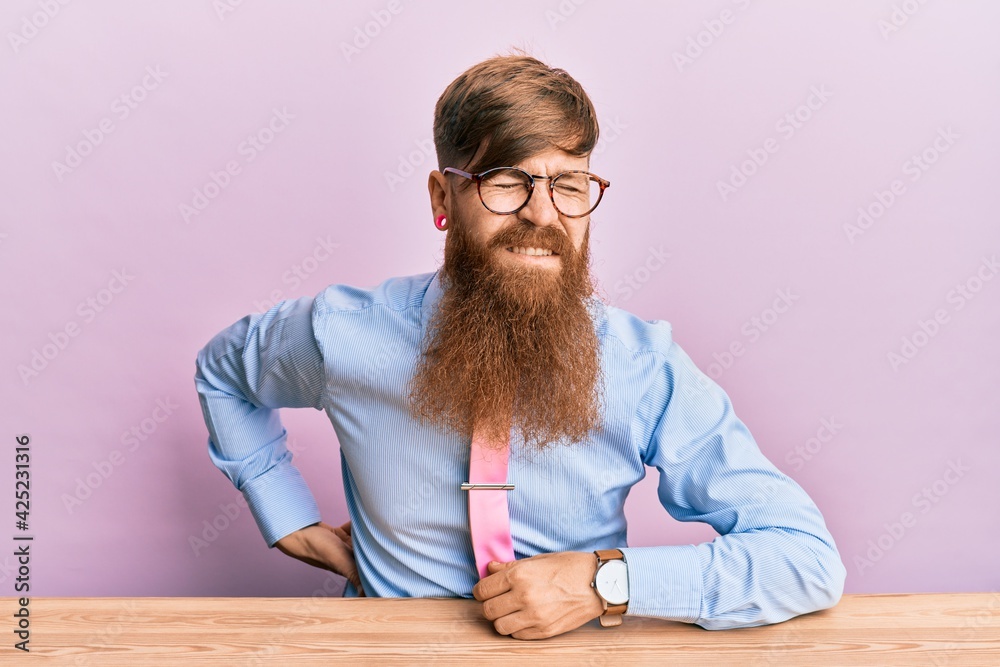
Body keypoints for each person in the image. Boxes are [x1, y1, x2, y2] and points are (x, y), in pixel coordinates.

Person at [194, 51, 846, 641]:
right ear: (441, 197)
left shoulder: (641, 365)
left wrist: (602, 582)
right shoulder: (344, 333)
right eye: (506, 180)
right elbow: (223, 371)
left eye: (569, 183)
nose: (542, 214)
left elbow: (805, 557)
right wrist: (285, 513)